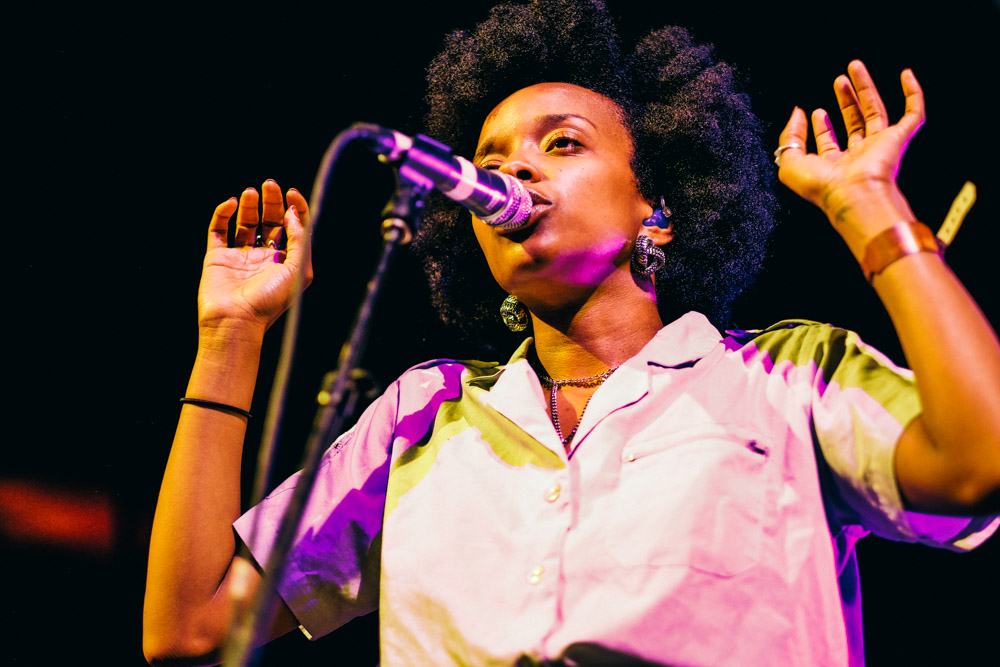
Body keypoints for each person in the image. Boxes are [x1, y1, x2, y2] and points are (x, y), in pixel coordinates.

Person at [142, 1, 1000, 665]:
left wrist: (870, 209)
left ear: (655, 208)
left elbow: (979, 461)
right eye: (491, 157)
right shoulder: (420, 417)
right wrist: (229, 338)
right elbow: (188, 628)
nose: (510, 170)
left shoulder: (783, 382)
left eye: (562, 143)